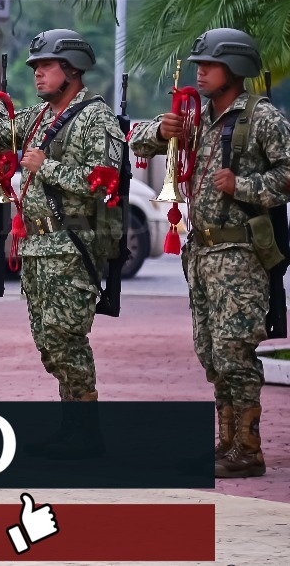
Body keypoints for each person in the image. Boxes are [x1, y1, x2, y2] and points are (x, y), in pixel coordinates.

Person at [129, 28, 290, 478]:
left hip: (240, 254)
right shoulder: (196, 115)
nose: (200, 72)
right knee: (210, 353)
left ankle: (248, 447)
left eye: (210, 65)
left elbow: (289, 174)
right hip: (201, 253)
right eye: (198, 64)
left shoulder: (263, 119)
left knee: (235, 350)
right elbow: (140, 142)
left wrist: (243, 186)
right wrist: (161, 129)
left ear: (235, 70)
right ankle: (226, 442)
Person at [0, 30, 121, 418]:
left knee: (66, 339)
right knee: (48, 342)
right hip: (38, 249)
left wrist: (48, 167)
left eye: (46, 67)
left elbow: (103, 182)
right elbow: (2, 128)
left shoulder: (96, 118)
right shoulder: (41, 117)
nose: (38, 74)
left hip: (72, 247)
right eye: (35, 67)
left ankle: (85, 430)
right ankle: (72, 424)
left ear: (72, 71)